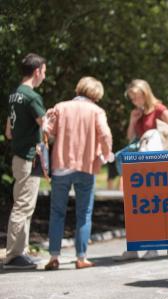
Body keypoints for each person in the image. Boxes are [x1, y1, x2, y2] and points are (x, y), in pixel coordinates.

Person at [43, 76, 113, 270]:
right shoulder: (97, 111)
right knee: (84, 213)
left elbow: (46, 131)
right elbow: (105, 135)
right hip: (86, 166)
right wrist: (106, 154)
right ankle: (81, 257)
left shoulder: (60, 107)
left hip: (61, 166)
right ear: (96, 94)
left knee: (57, 212)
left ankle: (53, 257)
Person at [114, 79, 168, 261]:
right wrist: (132, 120)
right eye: (132, 98)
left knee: (153, 207)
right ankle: (134, 248)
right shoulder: (138, 113)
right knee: (136, 206)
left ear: (145, 93)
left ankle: (153, 248)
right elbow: (130, 138)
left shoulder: (160, 110)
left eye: (136, 97)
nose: (134, 101)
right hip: (140, 166)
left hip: (157, 166)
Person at [3, 53, 47, 269]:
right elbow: (45, 125)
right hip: (28, 157)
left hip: (17, 156)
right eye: (44, 72)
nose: (44, 77)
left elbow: (8, 132)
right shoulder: (31, 96)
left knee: (24, 205)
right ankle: (13, 255)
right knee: (23, 206)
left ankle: (22, 252)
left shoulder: (13, 95)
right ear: (37, 71)